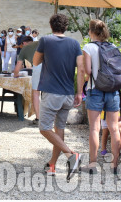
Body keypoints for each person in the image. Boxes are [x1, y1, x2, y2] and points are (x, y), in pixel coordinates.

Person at [33, 14, 84, 179]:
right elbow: (81, 70)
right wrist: (79, 92)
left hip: (51, 92)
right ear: (66, 27)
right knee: (59, 129)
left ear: (51, 25)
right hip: (68, 93)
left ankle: (71, 155)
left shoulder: (45, 41)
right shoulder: (75, 43)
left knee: (44, 128)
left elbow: (35, 62)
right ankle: (52, 166)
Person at [82, 19, 121, 174]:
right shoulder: (113, 46)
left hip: (96, 89)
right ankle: (114, 165)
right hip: (113, 90)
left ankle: (92, 165)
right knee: (114, 127)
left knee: (94, 128)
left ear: (91, 31)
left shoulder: (88, 47)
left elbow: (88, 72)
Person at [13, 35, 40, 124]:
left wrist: (16, 74)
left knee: (36, 93)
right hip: (50, 66)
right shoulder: (39, 43)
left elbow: (17, 68)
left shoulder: (24, 49)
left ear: (24, 43)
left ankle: (38, 118)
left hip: (38, 67)